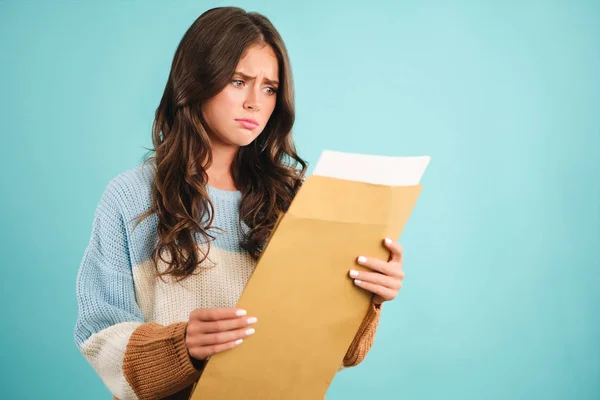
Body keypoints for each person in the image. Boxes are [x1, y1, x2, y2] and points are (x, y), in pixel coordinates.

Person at [74, 6, 406, 400]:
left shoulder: (297, 199)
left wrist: (366, 296)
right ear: (196, 80)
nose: (255, 102)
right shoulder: (132, 196)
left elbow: (338, 354)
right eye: (238, 81)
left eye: (269, 87)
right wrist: (182, 347)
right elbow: (100, 335)